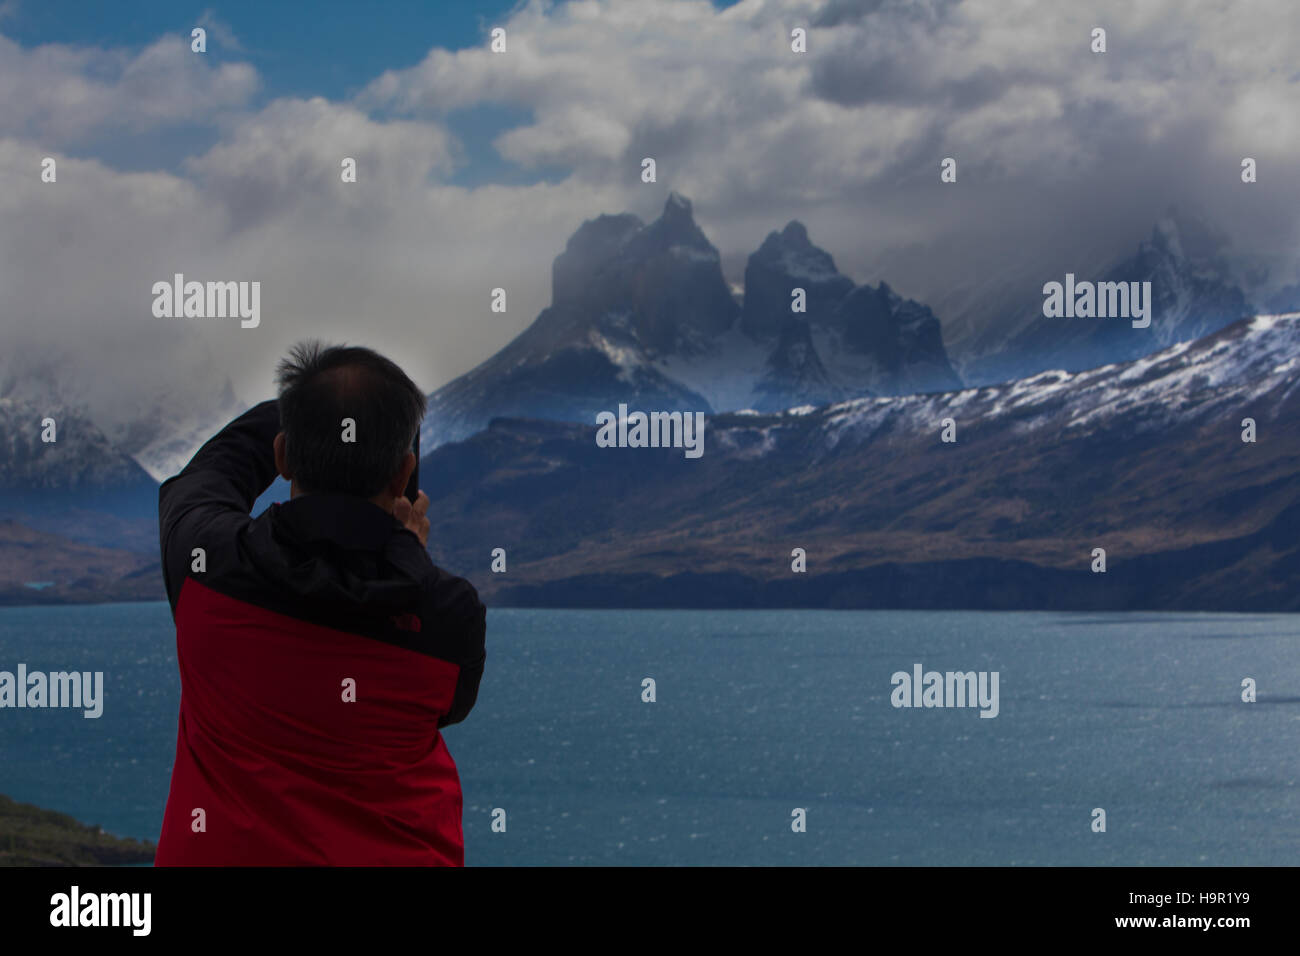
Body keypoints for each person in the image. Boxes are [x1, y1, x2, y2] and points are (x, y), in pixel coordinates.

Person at [153, 341, 486, 865]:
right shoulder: (448, 617)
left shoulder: (207, 567)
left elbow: (205, 477)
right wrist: (405, 557)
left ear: (283, 456)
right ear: (403, 473)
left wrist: (313, 408)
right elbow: (449, 708)